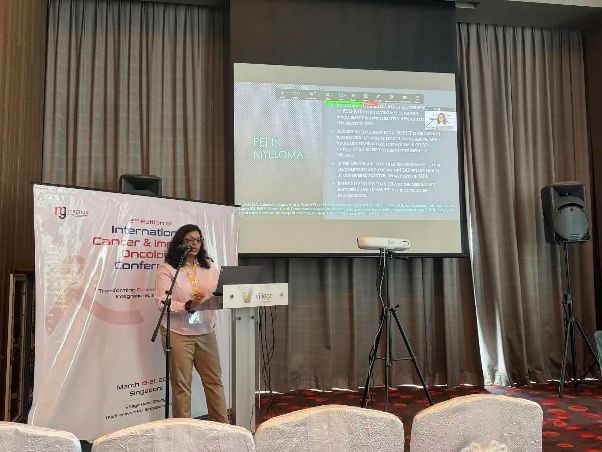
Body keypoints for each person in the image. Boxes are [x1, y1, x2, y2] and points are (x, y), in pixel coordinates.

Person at [154, 224, 228, 422]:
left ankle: (224, 428)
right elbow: (161, 301)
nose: (194, 244)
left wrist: (225, 297)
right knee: (181, 385)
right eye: (189, 240)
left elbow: (220, 292)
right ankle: (184, 432)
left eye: (197, 240)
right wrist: (187, 305)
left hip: (205, 330)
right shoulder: (168, 268)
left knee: (214, 381)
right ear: (180, 243)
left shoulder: (209, 266)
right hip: (178, 332)